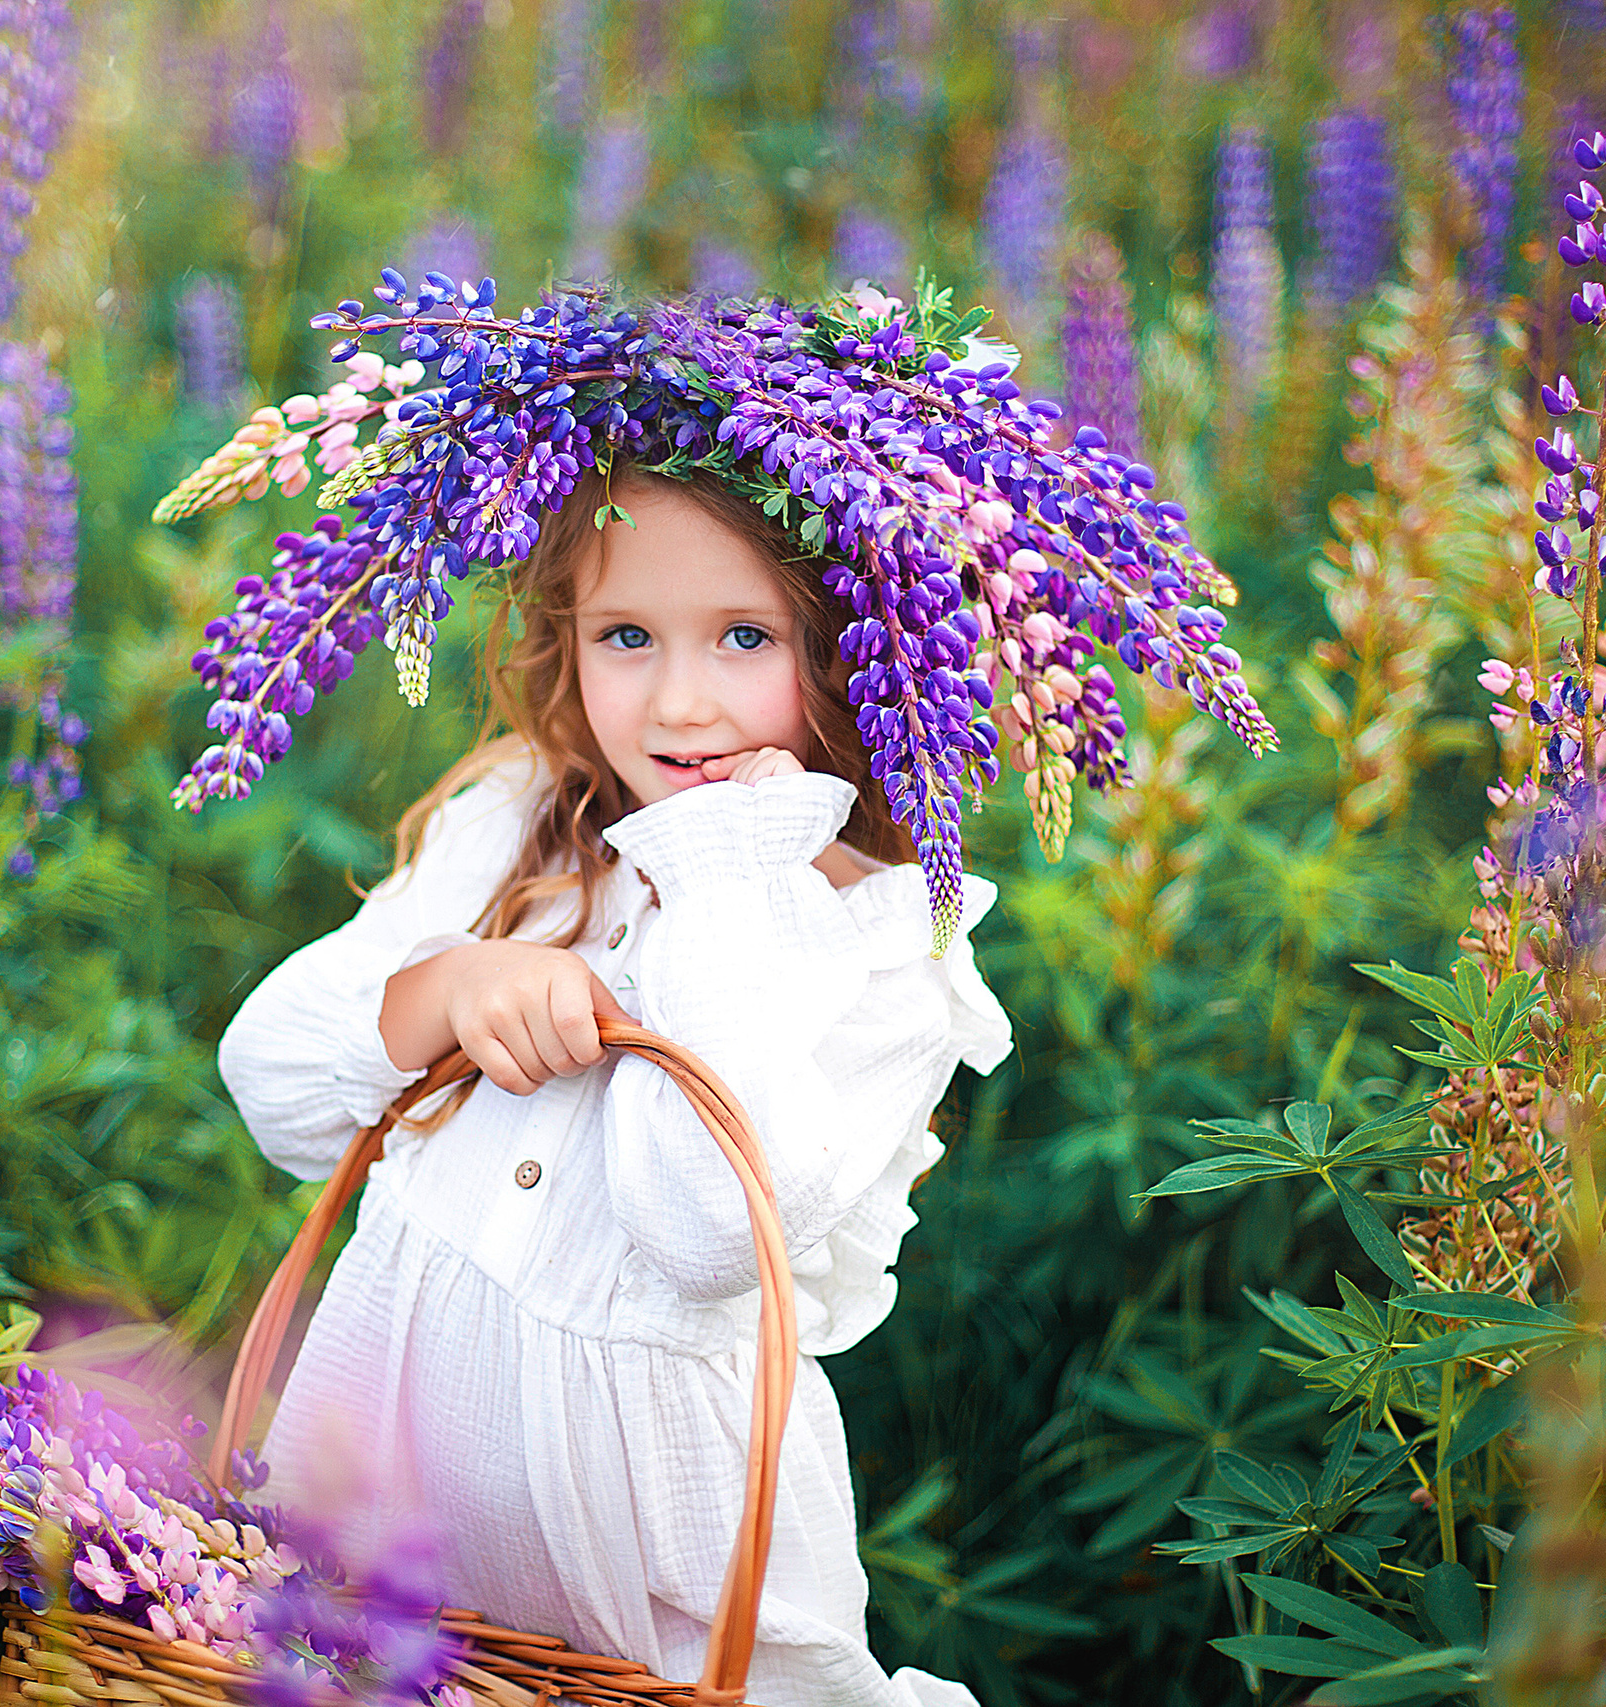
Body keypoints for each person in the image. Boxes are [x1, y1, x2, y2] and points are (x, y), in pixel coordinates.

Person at [217, 459, 1012, 1707]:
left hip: (664, 1617)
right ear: (564, 635)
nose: (681, 702)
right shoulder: (520, 823)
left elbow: (700, 1225)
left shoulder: (887, 952)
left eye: (745, 636)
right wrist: (449, 987)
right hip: (374, 1557)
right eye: (626, 635)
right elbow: (271, 1087)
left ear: (855, 647)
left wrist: (721, 866)